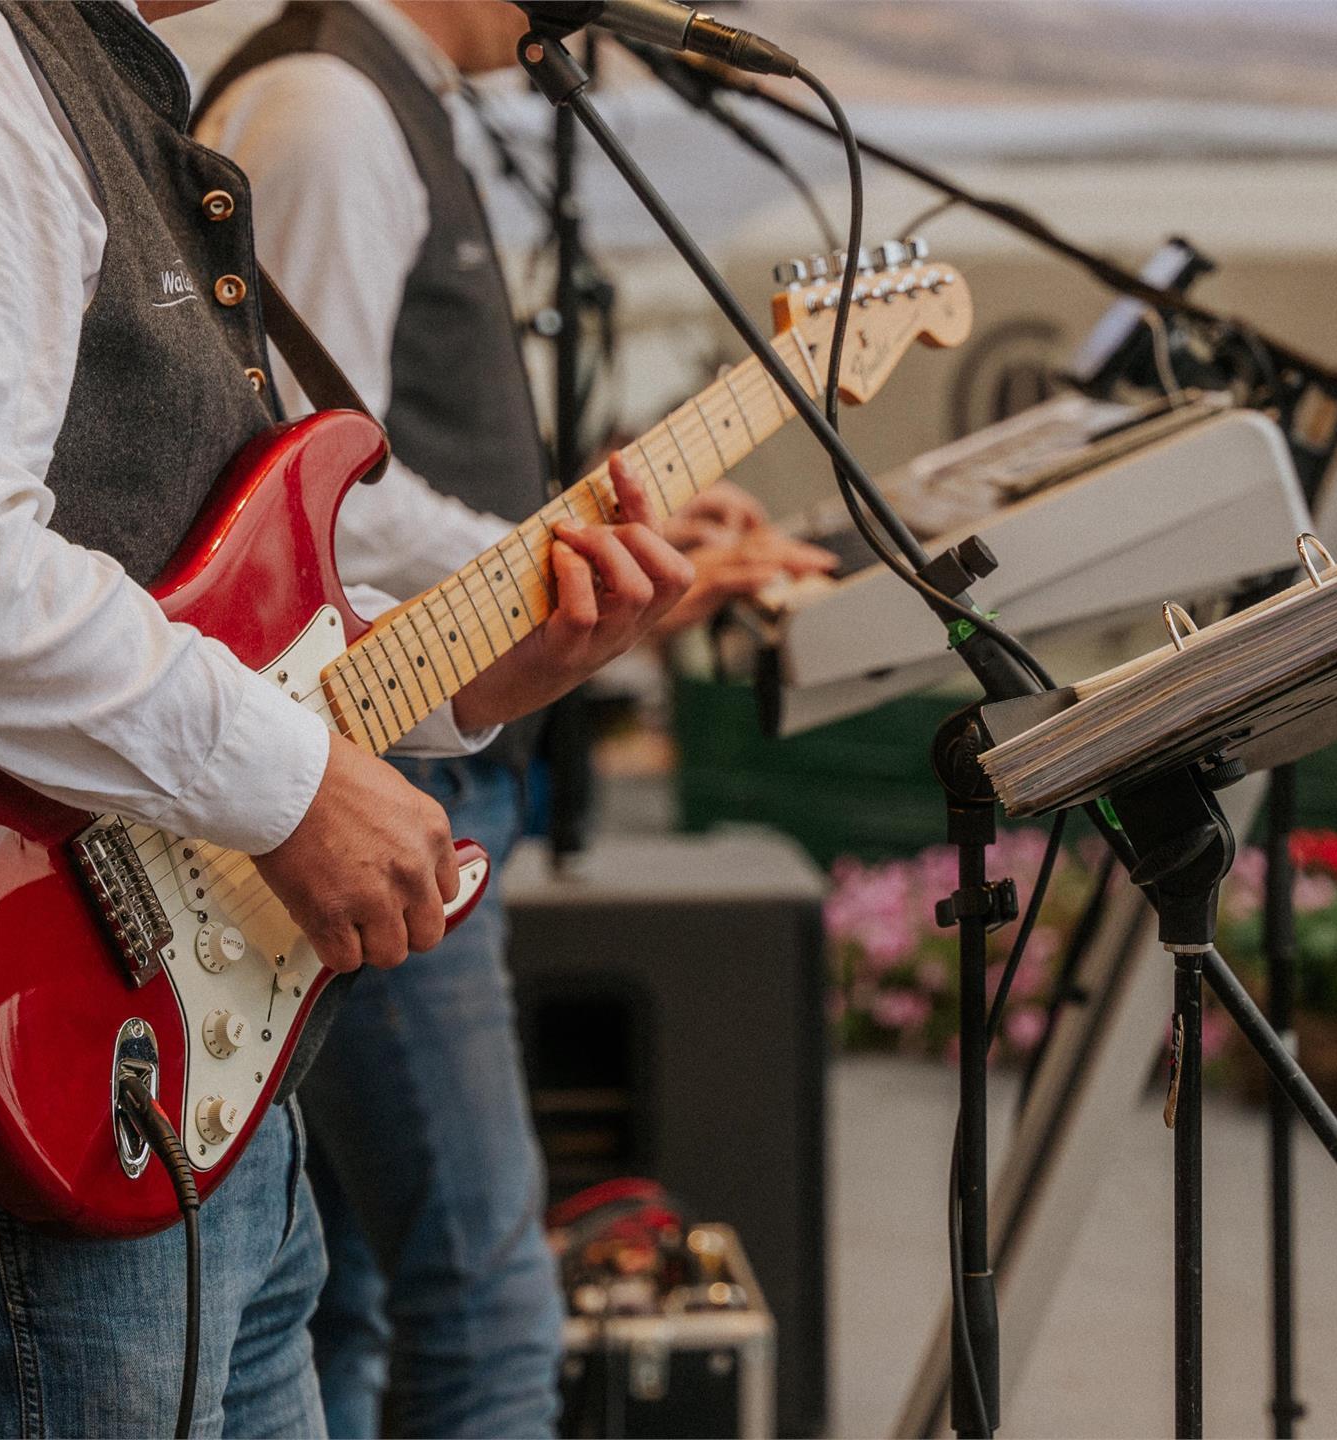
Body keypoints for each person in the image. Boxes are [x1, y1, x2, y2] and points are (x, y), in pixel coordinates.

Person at [0, 1, 690, 1434]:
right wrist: (290, 786)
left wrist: (462, 677)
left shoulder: (63, 62)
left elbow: (170, 567)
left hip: (159, 1096)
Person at [193, 5, 834, 1433]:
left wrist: (611, 540)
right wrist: (559, 559)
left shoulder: (390, 99)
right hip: (359, 780)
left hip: (416, 753)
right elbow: (306, 494)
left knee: (350, 1291)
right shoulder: (327, 110)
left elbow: (370, 445)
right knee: (483, 1300)